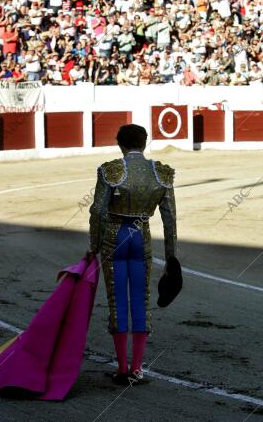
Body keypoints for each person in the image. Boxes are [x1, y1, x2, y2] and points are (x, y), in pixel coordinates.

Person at [88, 124, 178, 385]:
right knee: (141, 297)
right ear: (145, 142)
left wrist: (93, 247)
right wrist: (171, 258)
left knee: (117, 299)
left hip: (115, 236)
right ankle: (137, 369)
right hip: (142, 236)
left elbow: (97, 211)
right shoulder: (161, 173)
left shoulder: (111, 170)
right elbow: (170, 218)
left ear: (120, 144)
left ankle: (122, 368)